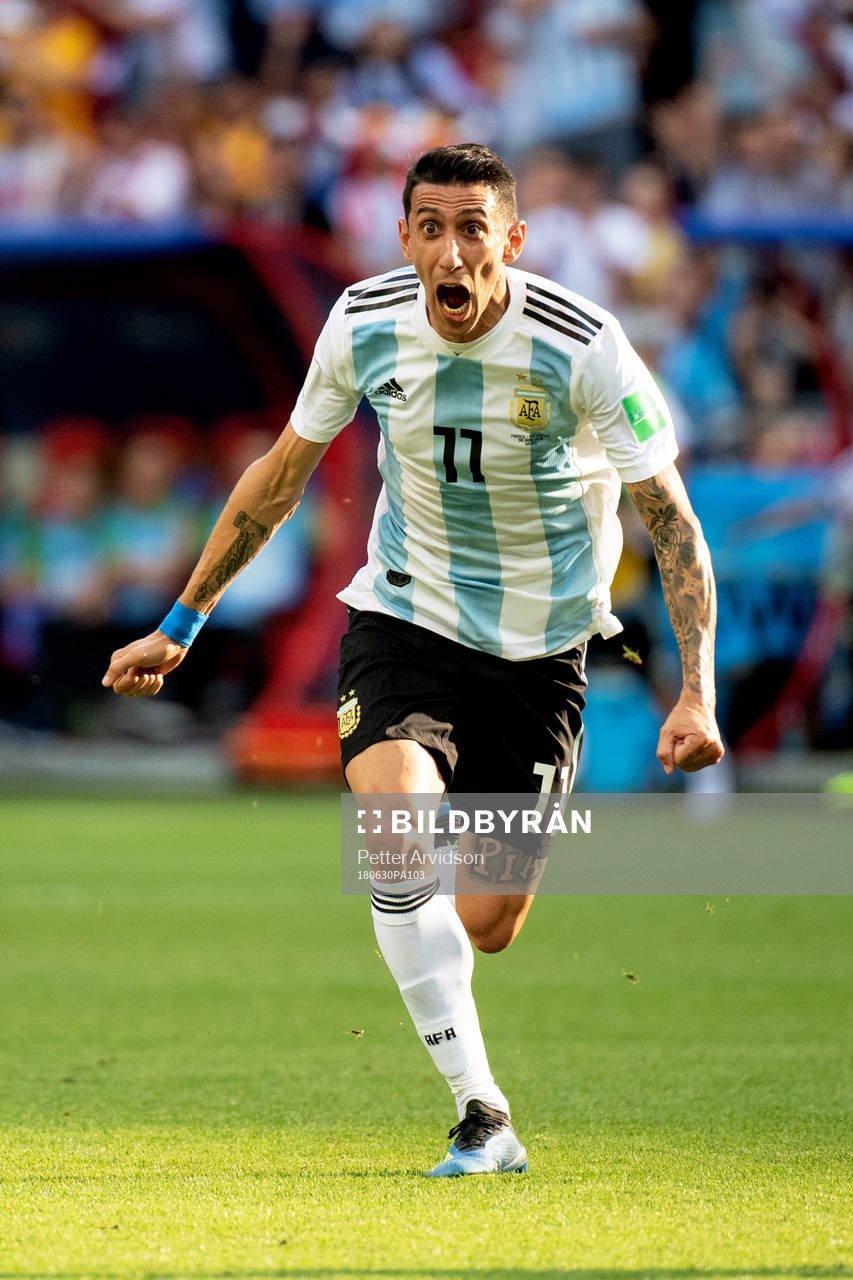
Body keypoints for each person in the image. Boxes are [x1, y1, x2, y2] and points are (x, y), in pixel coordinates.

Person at [102, 143, 724, 1178]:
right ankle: (482, 1112)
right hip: (405, 619)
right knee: (393, 833)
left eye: (472, 227)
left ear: (511, 242)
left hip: (540, 652)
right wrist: (185, 618)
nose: (449, 247)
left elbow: (673, 524)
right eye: (428, 226)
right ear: (404, 237)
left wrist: (695, 688)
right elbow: (278, 478)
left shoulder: (585, 345)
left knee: (487, 924)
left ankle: (455, 956)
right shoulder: (363, 320)